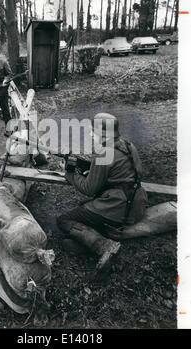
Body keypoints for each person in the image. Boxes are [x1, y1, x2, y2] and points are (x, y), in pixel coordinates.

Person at [57, 113, 148, 271]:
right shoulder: (128, 145)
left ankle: (104, 246)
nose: (91, 134)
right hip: (137, 205)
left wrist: (70, 174)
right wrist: (91, 168)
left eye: (94, 131)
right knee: (83, 210)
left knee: (64, 220)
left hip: (119, 209)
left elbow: (89, 189)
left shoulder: (104, 154)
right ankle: (89, 241)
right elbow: (130, 173)